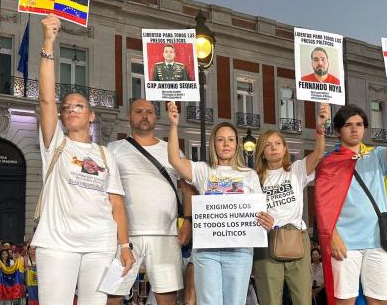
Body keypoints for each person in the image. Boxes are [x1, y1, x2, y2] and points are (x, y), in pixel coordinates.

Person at [32, 13, 134, 304]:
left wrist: (124, 246)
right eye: (67, 107)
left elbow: (117, 204)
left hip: (100, 243)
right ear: (62, 116)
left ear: (91, 116)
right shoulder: (56, 144)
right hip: (57, 243)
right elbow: (45, 98)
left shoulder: (105, 154)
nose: (72, 109)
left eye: (79, 106)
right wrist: (49, 43)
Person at [314, 104, 387, 305]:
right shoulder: (329, 162)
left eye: (359, 124)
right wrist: (333, 236)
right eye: (348, 125)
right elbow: (321, 205)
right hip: (345, 243)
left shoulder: (377, 155)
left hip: (378, 241)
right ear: (338, 131)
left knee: (379, 301)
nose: (354, 129)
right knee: (345, 301)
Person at [166, 102, 273, 305]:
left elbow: (260, 214)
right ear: (213, 144)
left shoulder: (249, 175)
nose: (226, 144)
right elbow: (174, 160)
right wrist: (173, 125)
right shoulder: (203, 171)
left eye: (231, 139)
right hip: (207, 252)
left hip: (240, 252)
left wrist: (266, 223)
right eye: (221, 139)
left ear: (237, 144)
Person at [106, 99, 195, 305]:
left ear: (156, 117)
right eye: (138, 111)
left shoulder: (171, 150)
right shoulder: (113, 148)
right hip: (125, 236)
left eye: (149, 112)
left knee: (168, 298)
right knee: (112, 295)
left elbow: (188, 189)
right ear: (129, 116)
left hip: (166, 235)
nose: (144, 115)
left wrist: (188, 221)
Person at [252, 103, 329, 305]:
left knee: (303, 299)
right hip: (266, 241)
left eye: (278, 143)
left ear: (285, 148)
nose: (273, 148)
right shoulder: (253, 178)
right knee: (270, 300)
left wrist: (320, 128)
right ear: (262, 152)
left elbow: (318, 153)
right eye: (268, 145)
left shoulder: (296, 170)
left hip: (297, 238)